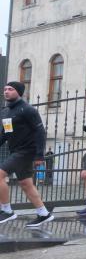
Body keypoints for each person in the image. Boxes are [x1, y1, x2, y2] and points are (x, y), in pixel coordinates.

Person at [0, 81, 54, 227]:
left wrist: (39, 155)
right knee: (26, 184)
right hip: (16, 151)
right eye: (5, 89)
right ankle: (44, 214)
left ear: (19, 92)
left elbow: (40, 132)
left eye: (10, 89)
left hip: (27, 151)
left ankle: (7, 211)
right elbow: (6, 133)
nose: (6, 91)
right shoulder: (6, 111)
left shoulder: (28, 110)